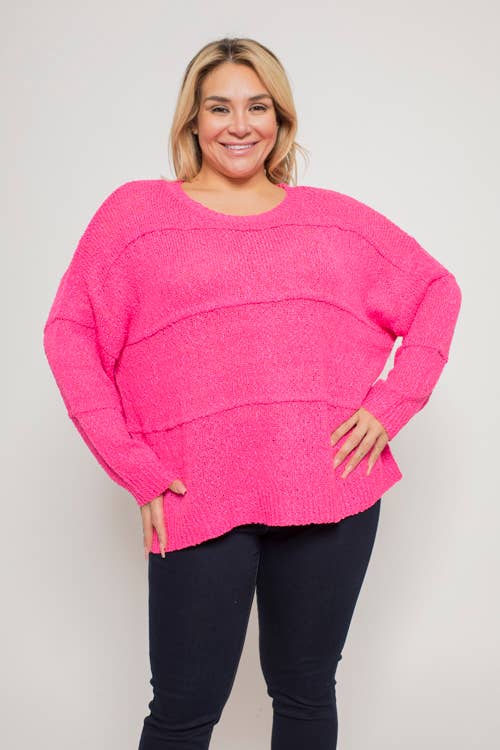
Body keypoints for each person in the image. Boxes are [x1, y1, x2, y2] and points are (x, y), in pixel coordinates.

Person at [42, 37, 462, 750]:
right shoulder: (136, 216)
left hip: (330, 487)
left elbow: (435, 291)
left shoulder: (333, 220)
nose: (240, 125)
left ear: (280, 118)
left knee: (305, 693)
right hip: (194, 491)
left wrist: (391, 405)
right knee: (183, 710)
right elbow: (70, 334)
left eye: (257, 106)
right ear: (192, 120)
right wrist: (134, 465)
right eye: (219, 107)